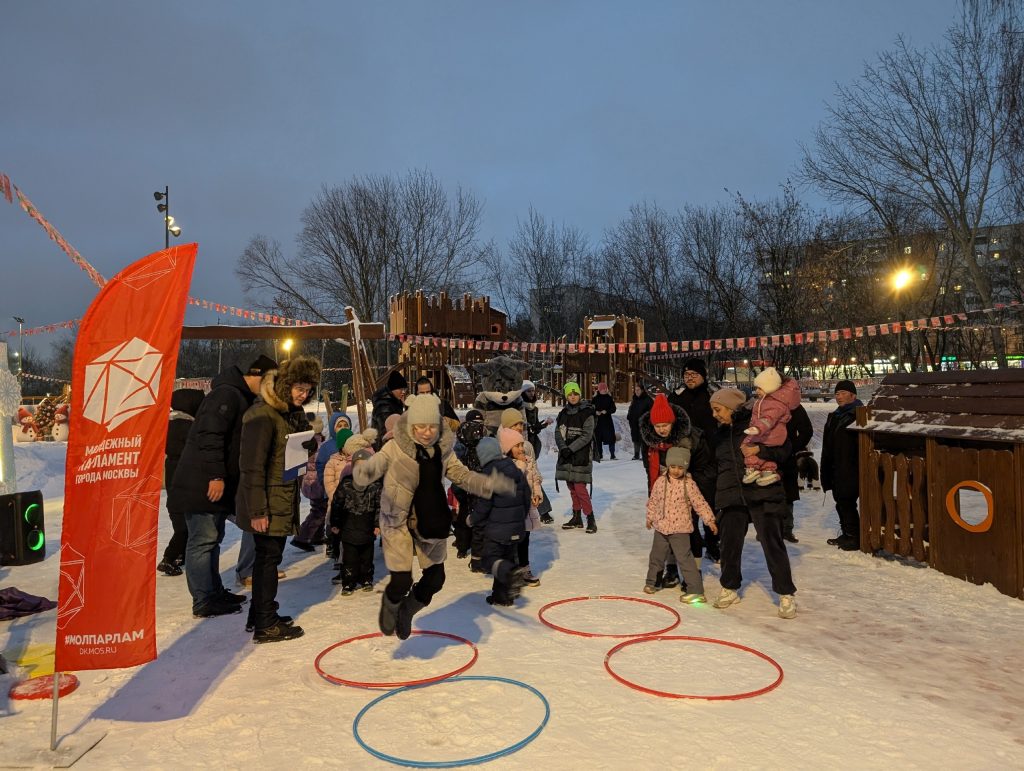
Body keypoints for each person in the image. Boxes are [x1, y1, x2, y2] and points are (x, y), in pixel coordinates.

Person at [353, 394, 515, 640]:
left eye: (431, 427)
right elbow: (374, 466)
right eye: (420, 427)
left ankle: (408, 608)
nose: (426, 433)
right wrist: (362, 473)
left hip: (430, 518)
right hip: (398, 520)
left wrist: (488, 484)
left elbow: (461, 474)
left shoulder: (443, 449)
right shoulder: (394, 447)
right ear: (411, 425)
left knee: (436, 578)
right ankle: (392, 601)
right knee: (401, 580)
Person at [168, 355, 277, 618]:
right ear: (258, 377)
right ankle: (204, 600)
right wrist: (216, 475)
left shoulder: (237, 396)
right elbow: (209, 435)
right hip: (201, 484)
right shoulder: (226, 395)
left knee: (211, 540)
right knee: (202, 542)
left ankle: (213, 591)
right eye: (269, 383)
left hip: (209, 484)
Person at [237, 355, 321, 643]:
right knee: (267, 560)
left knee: (268, 558)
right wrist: (258, 510)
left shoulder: (288, 413)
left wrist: (307, 446)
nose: (304, 394)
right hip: (268, 501)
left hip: (282, 496)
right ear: (286, 384)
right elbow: (252, 466)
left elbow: (285, 454)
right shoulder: (263, 415)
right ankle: (265, 623)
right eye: (300, 387)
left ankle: (260, 613)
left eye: (309, 389)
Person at [708, 387, 797, 619]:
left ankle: (786, 594)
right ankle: (729, 587)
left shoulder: (758, 425)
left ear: (731, 407)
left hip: (762, 489)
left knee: (772, 542)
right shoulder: (717, 434)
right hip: (730, 493)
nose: (715, 415)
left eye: (718, 410)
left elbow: (785, 449)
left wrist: (761, 450)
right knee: (729, 543)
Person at [639, 392, 718, 572]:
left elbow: (705, 466)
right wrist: (654, 495)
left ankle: (694, 572)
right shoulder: (650, 443)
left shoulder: (691, 439)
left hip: (689, 492)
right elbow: (649, 470)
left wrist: (691, 487)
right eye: (657, 426)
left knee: (690, 532)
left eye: (665, 424)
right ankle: (672, 570)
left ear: (673, 422)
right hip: (665, 494)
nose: (661, 429)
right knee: (667, 533)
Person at [644, 447, 718, 603]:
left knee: (685, 559)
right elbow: (653, 501)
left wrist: (709, 520)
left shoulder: (689, 484)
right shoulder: (660, 482)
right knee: (656, 556)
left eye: (680, 467)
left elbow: (700, 503)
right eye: (673, 467)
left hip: (681, 529)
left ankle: (696, 590)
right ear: (668, 465)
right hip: (661, 527)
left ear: (685, 468)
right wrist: (650, 517)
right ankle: (653, 582)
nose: (676, 471)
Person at [667, 358, 720, 559]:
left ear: (703, 376)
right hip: (684, 460)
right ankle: (692, 547)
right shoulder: (677, 396)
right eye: (686, 375)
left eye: (694, 375)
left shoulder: (713, 395)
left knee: (709, 505)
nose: (689, 378)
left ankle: (713, 542)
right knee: (687, 510)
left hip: (708, 459)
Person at [471, 436, 532, 606]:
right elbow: (526, 495)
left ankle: (513, 572)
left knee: (490, 560)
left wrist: (472, 519)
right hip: (516, 527)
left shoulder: (489, 474)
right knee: (506, 559)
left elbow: (484, 504)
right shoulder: (514, 468)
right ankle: (502, 597)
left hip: (497, 530)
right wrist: (520, 516)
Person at [159, 387, 205, 577]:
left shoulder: (169, 424)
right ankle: (168, 558)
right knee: (184, 528)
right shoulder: (186, 426)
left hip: (175, 484)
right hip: (184, 484)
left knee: (182, 525)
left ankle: (180, 555)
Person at [330, 448, 382, 594]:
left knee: (367, 557)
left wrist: (378, 524)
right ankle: (348, 582)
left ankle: (366, 579)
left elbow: (379, 506)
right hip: (349, 525)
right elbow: (337, 504)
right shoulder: (346, 484)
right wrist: (335, 523)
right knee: (350, 559)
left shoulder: (375, 486)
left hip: (367, 526)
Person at [821, 380, 863, 551]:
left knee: (846, 501)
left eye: (843, 393)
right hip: (836, 465)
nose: (839, 396)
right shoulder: (836, 415)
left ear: (853, 395)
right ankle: (848, 533)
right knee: (841, 501)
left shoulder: (859, 414)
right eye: (837, 394)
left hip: (850, 466)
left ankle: (854, 537)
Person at [741, 367, 802, 486]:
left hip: (770, 437)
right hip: (772, 438)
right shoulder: (766, 401)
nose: (757, 391)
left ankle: (753, 467)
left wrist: (757, 428)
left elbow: (768, 418)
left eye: (760, 388)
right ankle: (767, 470)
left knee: (747, 444)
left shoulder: (774, 403)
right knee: (761, 453)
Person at [499, 425, 542, 587]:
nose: (521, 448)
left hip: (526, 510)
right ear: (508, 449)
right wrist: (522, 464)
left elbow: (535, 479)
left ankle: (525, 569)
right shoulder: (505, 465)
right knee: (512, 543)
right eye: (517, 446)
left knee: (525, 540)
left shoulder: (528, 461)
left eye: (522, 445)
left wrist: (537, 494)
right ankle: (510, 572)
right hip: (512, 512)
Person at [500, 406, 553, 524]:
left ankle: (544, 511)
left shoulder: (526, 445)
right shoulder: (498, 445)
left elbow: (533, 472)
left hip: (526, 492)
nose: (519, 428)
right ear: (506, 426)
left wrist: (536, 493)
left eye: (521, 424)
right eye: (515, 425)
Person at [555, 382, 597, 533]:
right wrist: (563, 448)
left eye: (575, 394)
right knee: (571, 487)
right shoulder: (563, 413)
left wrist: (570, 449)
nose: (573, 397)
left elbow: (587, 436)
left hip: (581, 455)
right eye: (570, 394)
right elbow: (558, 433)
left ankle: (590, 518)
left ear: (580, 394)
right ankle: (576, 517)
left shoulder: (587, 412)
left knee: (580, 487)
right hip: (566, 455)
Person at [453, 409, 487, 564]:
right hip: (464, 484)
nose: (477, 428)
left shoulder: (484, 440)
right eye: (474, 424)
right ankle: (463, 545)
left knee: (474, 516)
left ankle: (473, 545)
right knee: (464, 515)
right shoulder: (461, 444)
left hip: (477, 484)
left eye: (479, 424)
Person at [780, 402, 813, 543]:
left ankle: (787, 529)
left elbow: (807, 431)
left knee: (787, 493)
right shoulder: (763, 402)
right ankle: (769, 528)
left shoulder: (794, 406)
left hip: (787, 457)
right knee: (766, 492)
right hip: (766, 455)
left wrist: (793, 447)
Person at [370, 371, 407, 449]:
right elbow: (387, 430)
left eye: (404, 389)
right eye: (400, 389)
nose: (403, 392)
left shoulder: (395, 400)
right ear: (392, 389)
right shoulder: (384, 406)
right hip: (383, 446)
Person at [520, 380, 552, 459]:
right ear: (523, 393)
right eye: (528, 391)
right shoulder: (519, 408)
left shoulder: (535, 409)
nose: (531, 393)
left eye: (533, 391)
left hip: (533, 443)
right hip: (522, 443)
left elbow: (535, 428)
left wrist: (543, 425)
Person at [626, 382, 653, 461]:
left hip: (644, 423)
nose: (636, 391)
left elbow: (652, 411)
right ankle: (636, 455)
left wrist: (646, 419)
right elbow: (631, 409)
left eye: (638, 390)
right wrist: (629, 416)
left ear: (642, 390)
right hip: (634, 423)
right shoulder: (634, 399)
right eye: (635, 390)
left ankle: (644, 455)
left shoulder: (648, 399)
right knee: (635, 438)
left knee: (643, 439)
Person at [591, 382, 617, 460]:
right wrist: (596, 412)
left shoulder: (609, 398)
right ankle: (600, 455)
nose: (604, 390)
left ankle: (612, 454)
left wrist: (607, 411)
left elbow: (613, 409)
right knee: (598, 438)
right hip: (598, 422)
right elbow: (591, 408)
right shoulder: (595, 398)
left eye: (605, 389)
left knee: (611, 438)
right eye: (603, 389)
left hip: (607, 421)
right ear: (599, 390)